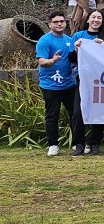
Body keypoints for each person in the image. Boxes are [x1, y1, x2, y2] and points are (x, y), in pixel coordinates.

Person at [35, 11, 85, 156]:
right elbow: (41, 61)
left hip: (69, 85)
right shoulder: (44, 41)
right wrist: (52, 61)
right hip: (50, 85)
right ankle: (53, 145)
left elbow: (75, 57)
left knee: (75, 115)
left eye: (62, 21)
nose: (59, 24)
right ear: (50, 24)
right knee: (52, 115)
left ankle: (78, 144)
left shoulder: (69, 40)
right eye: (56, 22)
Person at [70, 10, 104, 155]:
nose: (96, 20)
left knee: (98, 111)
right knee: (78, 113)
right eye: (93, 17)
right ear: (88, 20)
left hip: (100, 81)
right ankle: (79, 144)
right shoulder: (78, 36)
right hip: (83, 79)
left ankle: (95, 143)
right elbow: (71, 60)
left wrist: (103, 46)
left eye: (99, 17)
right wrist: (76, 48)